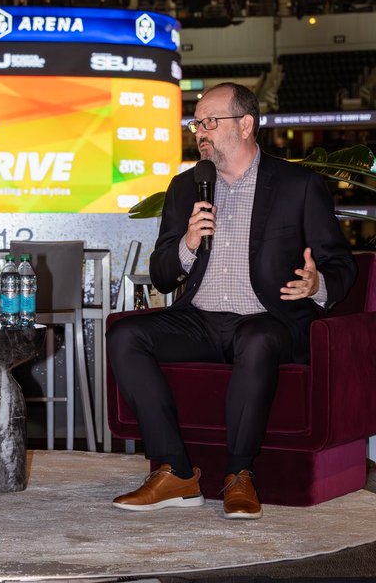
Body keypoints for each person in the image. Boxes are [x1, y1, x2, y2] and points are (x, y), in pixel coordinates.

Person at [107, 81, 356, 520]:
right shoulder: (187, 188)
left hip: (267, 318)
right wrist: (187, 241)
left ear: (245, 125)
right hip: (200, 320)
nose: (199, 132)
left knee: (257, 339)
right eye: (196, 123)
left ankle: (240, 474)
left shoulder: (297, 185)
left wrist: (316, 284)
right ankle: (176, 471)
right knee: (126, 333)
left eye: (209, 122)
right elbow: (164, 274)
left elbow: (340, 266)